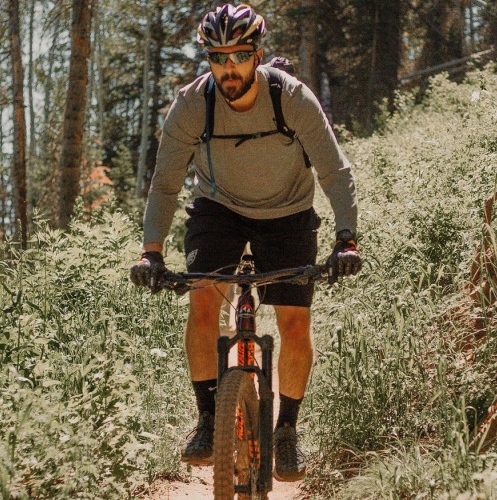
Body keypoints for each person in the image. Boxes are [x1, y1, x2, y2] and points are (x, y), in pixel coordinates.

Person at [130, 3, 361, 482]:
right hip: (220, 210)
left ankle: (287, 430)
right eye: (217, 57)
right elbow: (165, 183)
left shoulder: (292, 98)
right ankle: (209, 417)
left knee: (295, 323)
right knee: (202, 303)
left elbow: (335, 171)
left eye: (237, 56)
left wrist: (346, 239)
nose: (227, 67)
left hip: (288, 213)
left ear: (257, 54)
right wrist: (151, 252)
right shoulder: (193, 104)